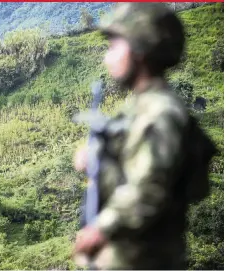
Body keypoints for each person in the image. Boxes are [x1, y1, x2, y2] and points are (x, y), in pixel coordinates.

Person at [73, 3, 216, 270]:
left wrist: (102, 228)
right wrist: (95, 160)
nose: (108, 58)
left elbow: (150, 188)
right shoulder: (138, 108)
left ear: (140, 50)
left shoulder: (160, 113)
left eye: (114, 47)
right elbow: (130, 169)